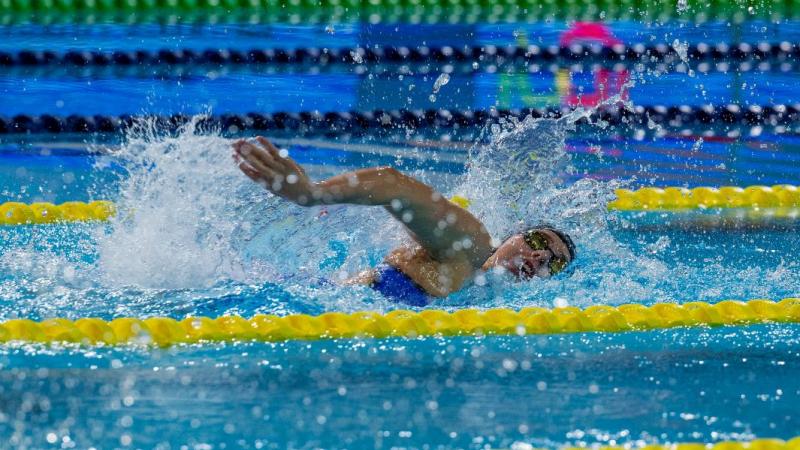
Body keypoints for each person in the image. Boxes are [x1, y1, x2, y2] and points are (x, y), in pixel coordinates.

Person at [232, 136, 576, 306]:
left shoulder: (504, 307)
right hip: (294, 300)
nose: (539, 257)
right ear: (512, 237)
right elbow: (393, 185)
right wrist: (311, 193)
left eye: (553, 263)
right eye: (535, 242)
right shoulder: (469, 245)